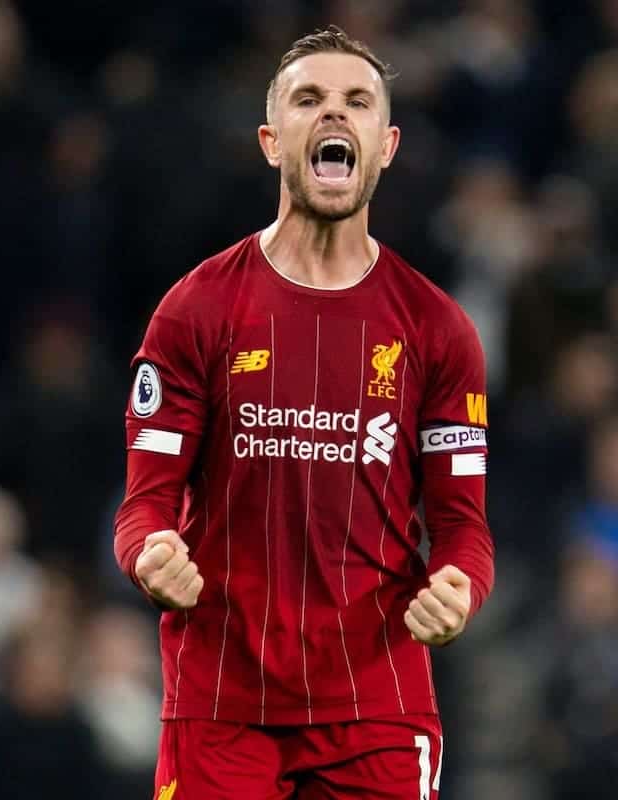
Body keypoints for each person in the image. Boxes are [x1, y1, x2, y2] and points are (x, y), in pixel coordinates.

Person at [113, 25, 495, 800]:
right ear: (269, 139)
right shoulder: (196, 309)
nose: (334, 116)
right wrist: (149, 553)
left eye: (356, 103)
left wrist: (461, 586)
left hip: (377, 708)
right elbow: (144, 505)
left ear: (385, 145)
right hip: (222, 700)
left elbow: (463, 529)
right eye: (308, 99)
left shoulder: (437, 327)